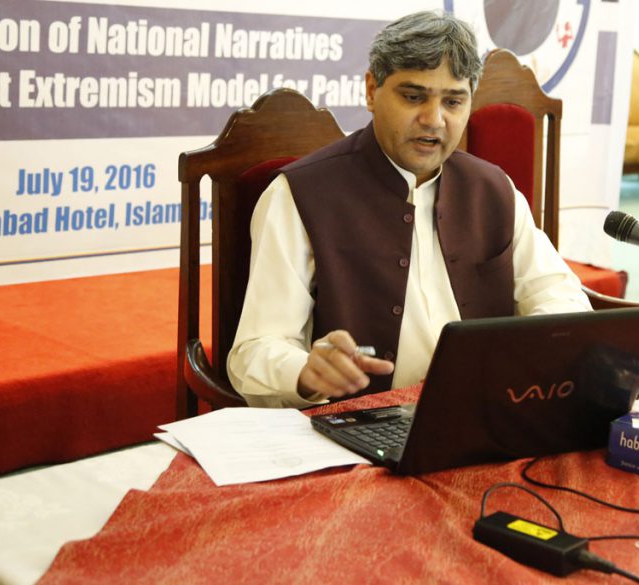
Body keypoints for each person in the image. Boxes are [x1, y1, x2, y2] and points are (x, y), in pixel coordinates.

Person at [226, 11, 590, 409]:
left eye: (453, 101)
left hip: (481, 412)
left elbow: (560, 299)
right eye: (413, 97)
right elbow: (254, 353)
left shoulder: (493, 189)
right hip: (355, 423)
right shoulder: (300, 194)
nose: (434, 120)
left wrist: (526, 353)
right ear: (371, 90)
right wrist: (305, 371)